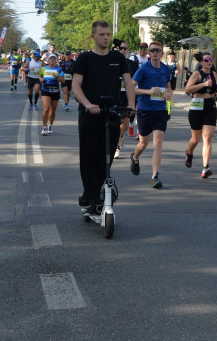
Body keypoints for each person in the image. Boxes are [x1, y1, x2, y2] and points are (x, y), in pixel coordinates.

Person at [71, 21, 137, 213]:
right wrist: (88, 104)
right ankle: (91, 196)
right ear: (93, 37)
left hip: (112, 114)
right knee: (89, 157)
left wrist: (130, 105)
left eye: (108, 34)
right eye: (101, 34)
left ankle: (95, 195)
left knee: (105, 158)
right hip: (90, 114)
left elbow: (128, 83)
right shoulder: (85, 58)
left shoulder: (118, 57)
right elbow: (76, 86)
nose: (106, 37)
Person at [129, 41, 174, 189]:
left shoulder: (166, 69)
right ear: (149, 53)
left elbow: (168, 86)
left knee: (158, 142)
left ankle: (155, 176)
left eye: (158, 51)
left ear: (162, 53)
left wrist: (168, 94)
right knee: (143, 142)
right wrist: (148, 92)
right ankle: (135, 157)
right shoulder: (143, 69)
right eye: (152, 50)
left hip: (160, 110)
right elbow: (131, 87)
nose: (155, 53)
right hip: (144, 110)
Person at [184, 52, 217, 178]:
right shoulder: (197, 74)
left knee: (207, 138)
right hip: (197, 105)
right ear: (201, 62)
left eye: (211, 59)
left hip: (210, 105)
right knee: (195, 139)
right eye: (206, 60)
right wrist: (203, 84)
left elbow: (215, 89)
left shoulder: (214, 74)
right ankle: (190, 153)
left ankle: (206, 167)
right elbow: (187, 90)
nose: (209, 62)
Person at [111, 39, 135, 159]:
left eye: (125, 49)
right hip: (114, 96)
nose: (123, 51)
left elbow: (134, 82)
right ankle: (116, 145)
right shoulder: (111, 62)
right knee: (114, 123)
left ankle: (119, 139)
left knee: (124, 124)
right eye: (121, 48)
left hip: (126, 96)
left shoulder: (131, 64)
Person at [39, 54, 63, 134]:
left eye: (54, 59)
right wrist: (41, 79)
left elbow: (63, 81)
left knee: (53, 111)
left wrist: (56, 77)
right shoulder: (44, 68)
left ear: (56, 61)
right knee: (46, 108)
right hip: (45, 90)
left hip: (55, 91)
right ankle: (44, 127)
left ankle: (50, 125)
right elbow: (39, 75)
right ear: (47, 60)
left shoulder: (59, 69)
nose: (52, 61)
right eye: (50, 59)